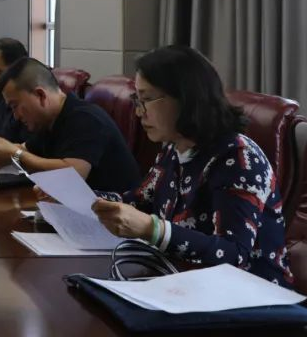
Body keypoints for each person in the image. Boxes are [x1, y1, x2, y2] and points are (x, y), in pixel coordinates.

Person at [90, 46, 293, 287]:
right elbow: (137, 202)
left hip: (252, 296)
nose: (138, 112)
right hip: (186, 283)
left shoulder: (238, 158)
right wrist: (80, 199)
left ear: (186, 99)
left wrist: (152, 229)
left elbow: (234, 254)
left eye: (147, 100)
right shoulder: (173, 149)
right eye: (137, 100)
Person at [0, 57, 139, 193]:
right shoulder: (48, 120)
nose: (16, 116)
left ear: (40, 95)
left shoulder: (85, 118)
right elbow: (23, 149)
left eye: (15, 106)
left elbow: (73, 173)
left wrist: (15, 154)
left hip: (117, 219)